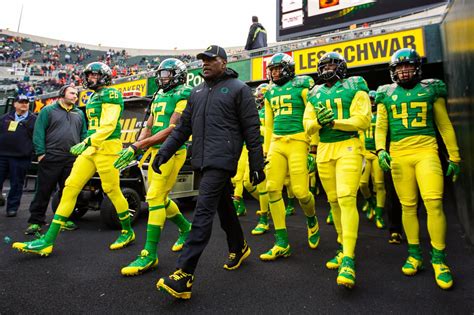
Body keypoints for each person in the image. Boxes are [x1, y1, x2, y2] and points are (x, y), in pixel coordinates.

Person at [154, 45, 265, 299]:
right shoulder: (197, 92)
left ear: (223, 63)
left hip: (222, 160)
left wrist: (257, 164)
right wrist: (164, 152)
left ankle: (184, 274)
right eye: (202, 60)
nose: (204, 63)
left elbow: (252, 129)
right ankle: (239, 247)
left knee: (202, 213)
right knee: (224, 207)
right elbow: (182, 129)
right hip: (203, 160)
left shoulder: (239, 89)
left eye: (210, 59)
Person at [12, 62, 134, 256]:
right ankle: (48, 240)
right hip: (91, 147)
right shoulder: (93, 96)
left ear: (104, 76)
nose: (89, 79)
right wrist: (88, 143)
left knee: (112, 190)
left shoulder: (112, 94)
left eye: (93, 75)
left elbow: (109, 126)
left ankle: (128, 231)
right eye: (88, 75)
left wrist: (86, 142)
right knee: (70, 187)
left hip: (107, 147)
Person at [375, 48, 461, 290]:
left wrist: (454, 157)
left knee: (434, 203)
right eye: (399, 67)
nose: (404, 71)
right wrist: (381, 150)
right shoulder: (385, 93)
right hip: (400, 154)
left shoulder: (430, 89)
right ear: (393, 71)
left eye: (408, 66)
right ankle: (414, 254)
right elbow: (381, 126)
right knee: (408, 206)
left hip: (426, 151)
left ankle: (439, 258)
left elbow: (444, 125)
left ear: (417, 67)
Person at [113, 58, 193, 276]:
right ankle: (186, 228)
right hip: (156, 149)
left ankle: (149, 254)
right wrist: (135, 147)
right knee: (160, 198)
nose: (162, 77)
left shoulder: (184, 93)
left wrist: (139, 144)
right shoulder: (159, 94)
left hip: (173, 149)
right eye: (161, 74)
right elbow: (148, 125)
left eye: (166, 74)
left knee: (156, 196)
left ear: (177, 74)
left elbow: (172, 129)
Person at [304, 51, 371, 289]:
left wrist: (333, 123)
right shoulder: (315, 92)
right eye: (324, 65)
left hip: (349, 146)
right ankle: (343, 248)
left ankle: (350, 260)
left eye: (332, 64)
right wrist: (319, 123)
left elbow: (363, 121)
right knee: (333, 201)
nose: (327, 68)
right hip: (324, 149)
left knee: (346, 198)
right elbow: (307, 126)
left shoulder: (356, 86)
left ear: (342, 66)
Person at [260, 53, 320, 262]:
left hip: (298, 140)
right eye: (272, 69)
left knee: (301, 192)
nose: (274, 72)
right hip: (277, 141)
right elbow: (268, 123)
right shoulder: (269, 91)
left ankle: (311, 219)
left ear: (288, 68)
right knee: (272, 188)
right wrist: (266, 151)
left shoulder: (302, 85)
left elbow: (312, 113)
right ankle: (282, 242)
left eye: (278, 68)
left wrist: (314, 147)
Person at [24, 85, 87, 235]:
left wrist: (82, 152)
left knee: (68, 192)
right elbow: (38, 132)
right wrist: (41, 153)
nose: (75, 96)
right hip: (51, 157)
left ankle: (65, 219)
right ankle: (35, 221)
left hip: (72, 159)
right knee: (43, 191)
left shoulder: (79, 113)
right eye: (72, 93)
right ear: (62, 94)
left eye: (76, 94)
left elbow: (84, 134)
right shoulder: (48, 110)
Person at [0, 94, 36, 217]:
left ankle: (12, 208)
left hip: (21, 157)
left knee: (16, 183)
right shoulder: (5, 118)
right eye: (21, 102)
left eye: (26, 102)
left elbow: (37, 138)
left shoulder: (34, 120)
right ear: (15, 104)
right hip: (2, 156)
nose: (24, 104)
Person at [359, 90, 386, 229]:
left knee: (379, 184)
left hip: (376, 153)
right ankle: (370, 202)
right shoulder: (363, 116)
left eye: (373, 100)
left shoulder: (381, 115)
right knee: (362, 183)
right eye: (370, 100)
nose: (372, 103)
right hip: (364, 153)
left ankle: (379, 214)